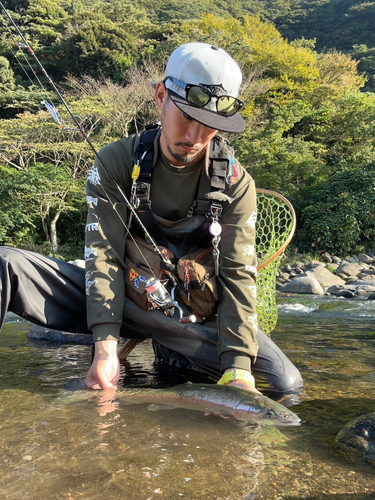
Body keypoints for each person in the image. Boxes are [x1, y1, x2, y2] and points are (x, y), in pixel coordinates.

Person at [0, 43, 303, 395]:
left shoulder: (236, 183)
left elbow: (238, 277)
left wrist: (238, 371)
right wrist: (105, 348)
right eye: (187, 116)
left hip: (190, 322)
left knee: (282, 384)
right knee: (6, 263)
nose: (195, 136)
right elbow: (103, 258)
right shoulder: (116, 162)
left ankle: (178, 352)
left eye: (210, 125)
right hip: (123, 303)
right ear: (160, 95)